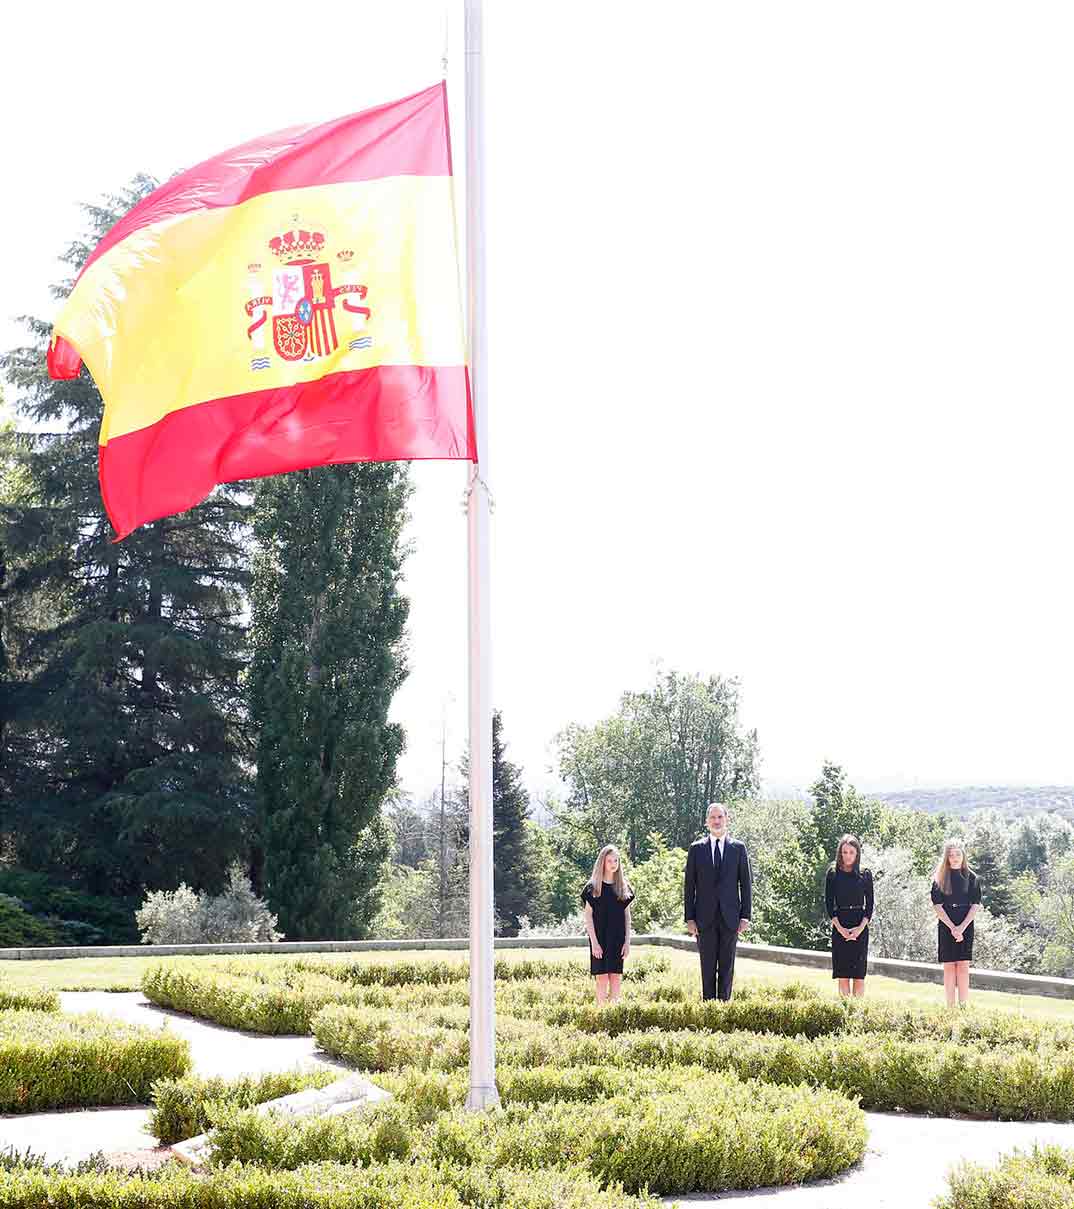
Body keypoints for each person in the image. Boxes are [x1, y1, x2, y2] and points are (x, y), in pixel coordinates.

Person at [683, 802, 752, 1001]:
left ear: (726, 819)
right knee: (707, 965)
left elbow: (745, 885)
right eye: (712, 818)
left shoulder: (738, 848)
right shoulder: (696, 849)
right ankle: (708, 1009)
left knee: (726, 966)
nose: (716, 821)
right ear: (707, 822)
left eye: (720, 817)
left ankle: (724, 1007)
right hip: (704, 918)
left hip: (731, 918)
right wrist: (690, 918)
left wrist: (745, 916)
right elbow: (689, 886)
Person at [930, 839, 982, 1007]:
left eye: (958, 854)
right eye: (951, 855)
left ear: (963, 855)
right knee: (949, 967)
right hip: (946, 924)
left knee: (963, 967)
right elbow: (937, 906)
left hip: (966, 924)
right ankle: (950, 1007)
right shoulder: (939, 878)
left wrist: (961, 928)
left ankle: (964, 1006)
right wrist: (953, 928)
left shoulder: (972, 878)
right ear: (946, 857)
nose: (954, 858)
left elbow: (975, 905)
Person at [581, 844, 634, 1004]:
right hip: (599, 939)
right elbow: (588, 917)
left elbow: (627, 916)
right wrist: (594, 943)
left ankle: (614, 1015)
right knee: (602, 979)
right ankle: (601, 1014)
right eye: (609, 860)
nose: (613, 864)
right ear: (602, 862)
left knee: (616, 978)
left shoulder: (623, 888)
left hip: (618, 938)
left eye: (616, 860)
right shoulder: (592, 888)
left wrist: (627, 942)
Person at [825, 833, 873, 998]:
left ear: (857, 853)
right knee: (843, 973)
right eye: (844, 852)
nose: (848, 856)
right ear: (840, 853)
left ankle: (857, 1014)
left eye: (851, 852)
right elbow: (829, 906)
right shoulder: (832, 874)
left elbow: (870, 905)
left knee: (859, 974)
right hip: (840, 925)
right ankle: (844, 1011)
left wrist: (860, 928)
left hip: (860, 926)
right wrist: (840, 929)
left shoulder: (865, 873)